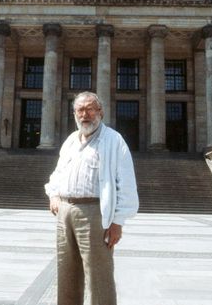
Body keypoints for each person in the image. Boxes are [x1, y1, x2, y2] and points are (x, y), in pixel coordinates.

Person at [45, 91, 139, 305]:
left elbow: (126, 183)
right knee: (66, 271)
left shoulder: (113, 140)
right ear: (74, 113)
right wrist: (54, 194)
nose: (84, 114)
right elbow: (58, 174)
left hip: (95, 213)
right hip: (65, 211)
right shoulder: (70, 141)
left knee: (99, 275)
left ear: (100, 112)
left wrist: (118, 221)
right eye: (80, 110)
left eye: (90, 109)